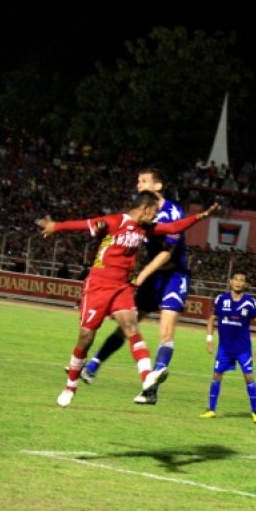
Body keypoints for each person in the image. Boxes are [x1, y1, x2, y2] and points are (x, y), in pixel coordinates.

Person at [37, 191, 218, 408]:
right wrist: (55, 226)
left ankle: (147, 379)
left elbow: (172, 228)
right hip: (98, 286)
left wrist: (201, 217)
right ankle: (70, 386)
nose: (155, 217)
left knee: (132, 328)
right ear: (144, 209)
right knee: (86, 336)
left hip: (122, 288)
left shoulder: (145, 228)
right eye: (153, 213)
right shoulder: (114, 221)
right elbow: (84, 224)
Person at [81, 168, 194, 405]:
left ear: (158, 186)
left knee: (166, 332)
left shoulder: (173, 212)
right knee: (127, 325)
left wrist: (140, 276)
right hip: (152, 277)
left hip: (173, 276)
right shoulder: (141, 213)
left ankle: (151, 388)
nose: (138, 185)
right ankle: (92, 366)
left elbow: (167, 253)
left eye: (143, 181)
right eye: (138, 181)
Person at [199, 270, 256, 423]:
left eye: (242, 280)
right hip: (225, 349)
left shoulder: (250, 302)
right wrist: (209, 339)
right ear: (230, 281)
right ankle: (211, 410)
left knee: (249, 377)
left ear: (245, 284)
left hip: (243, 350)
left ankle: (255, 412)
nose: (238, 282)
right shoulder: (221, 299)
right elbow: (211, 319)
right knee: (216, 375)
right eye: (236, 279)